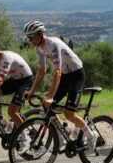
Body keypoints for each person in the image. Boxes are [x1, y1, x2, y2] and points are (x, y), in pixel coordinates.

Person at [23, 20, 98, 155]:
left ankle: (92, 136)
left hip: (77, 75)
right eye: (27, 38)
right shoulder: (39, 48)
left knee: (69, 114)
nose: (29, 40)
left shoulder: (54, 43)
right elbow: (41, 71)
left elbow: (56, 72)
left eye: (31, 37)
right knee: (47, 107)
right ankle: (62, 137)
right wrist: (31, 91)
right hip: (65, 76)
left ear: (40, 34)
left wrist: (50, 97)